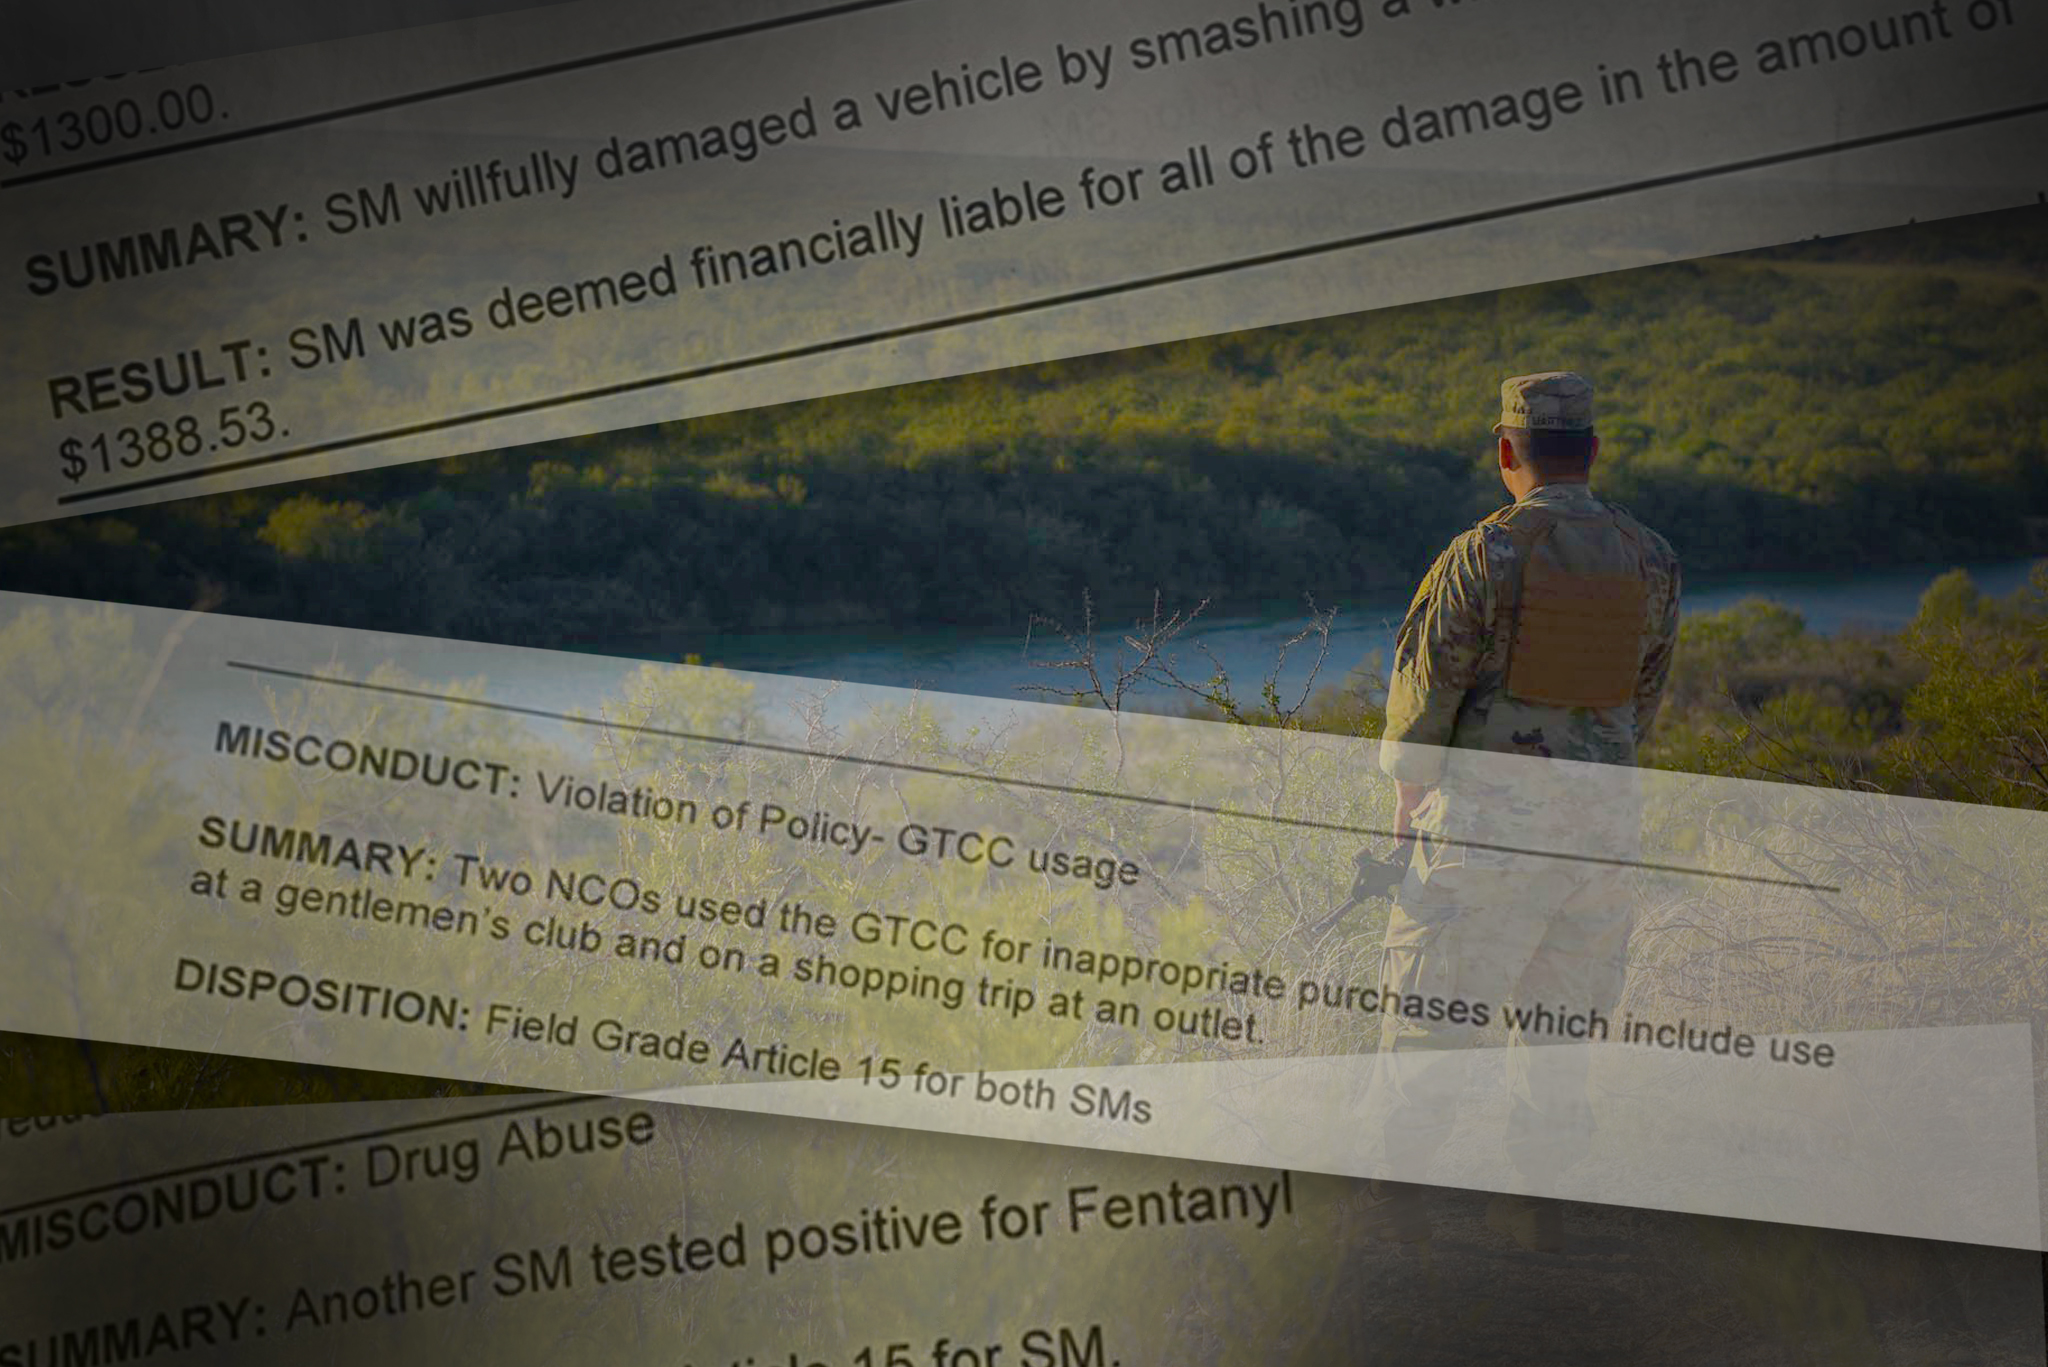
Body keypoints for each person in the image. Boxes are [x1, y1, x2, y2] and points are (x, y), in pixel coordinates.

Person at [1356, 371, 1682, 1251]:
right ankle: (1540, 1226)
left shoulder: (1484, 554)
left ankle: (1400, 1226)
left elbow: (1424, 701)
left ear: (1507, 451)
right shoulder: (1652, 559)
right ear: (1595, 452)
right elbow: (1639, 707)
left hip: (1484, 835)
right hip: (1602, 837)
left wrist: (1406, 797)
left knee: (1432, 1019)